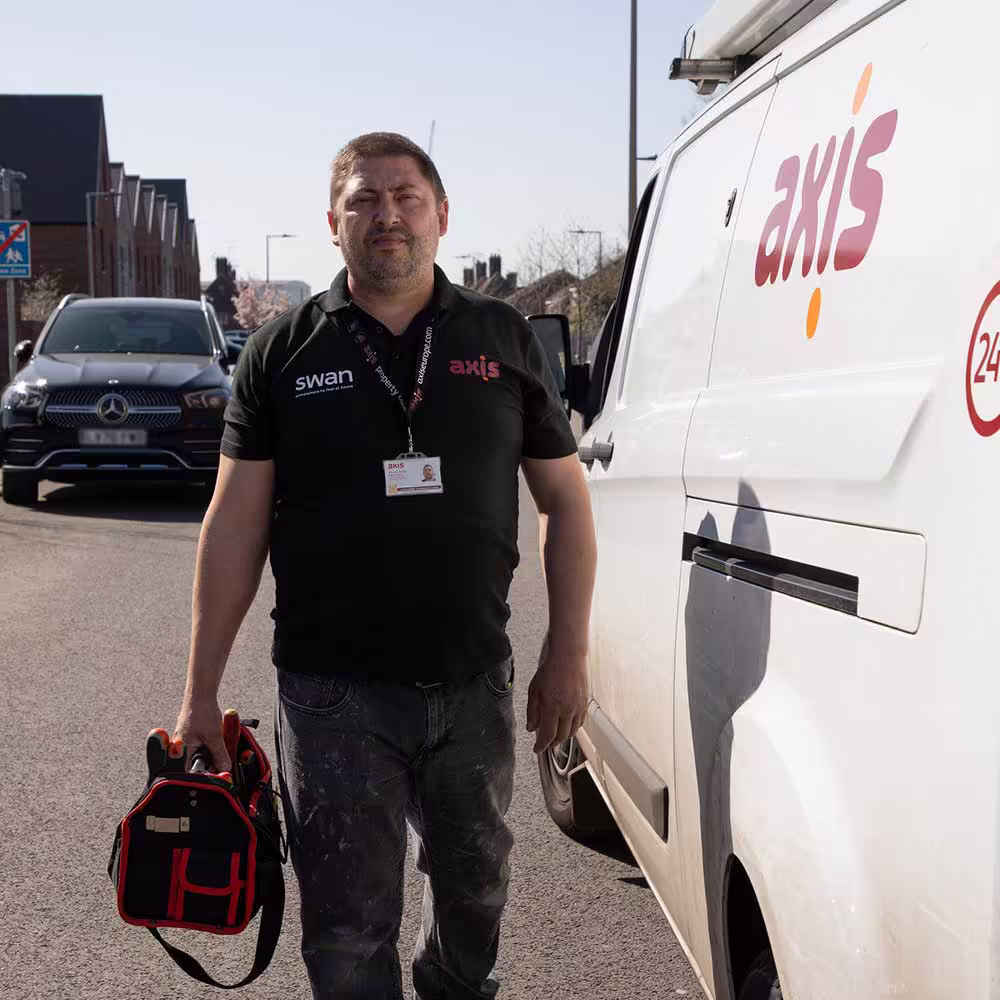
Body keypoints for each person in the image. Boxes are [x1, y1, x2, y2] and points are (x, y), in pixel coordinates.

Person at [172, 131, 596, 1000]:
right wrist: (198, 693)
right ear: (334, 225)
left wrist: (569, 653)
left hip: (472, 681)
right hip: (332, 696)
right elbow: (233, 528)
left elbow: (566, 502)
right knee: (346, 930)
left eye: (406, 197)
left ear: (442, 216)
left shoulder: (504, 337)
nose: (387, 215)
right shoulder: (281, 353)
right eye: (365, 200)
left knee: (476, 898)